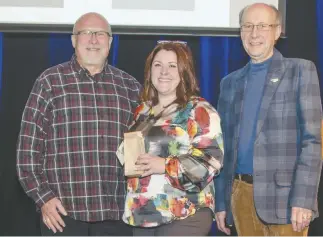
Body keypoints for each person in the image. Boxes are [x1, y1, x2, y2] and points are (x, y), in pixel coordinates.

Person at [16, 12, 142, 236]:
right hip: (63, 216)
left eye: (100, 34)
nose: (93, 40)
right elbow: (27, 150)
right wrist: (43, 199)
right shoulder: (50, 82)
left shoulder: (130, 87)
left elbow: (140, 152)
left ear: (110, 42)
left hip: (114, 217)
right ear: (74, 40)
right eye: (86, 33)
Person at [214, 3, 323, 236]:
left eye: (262, 26)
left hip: (286, 200)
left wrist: (303, 199)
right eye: (248, 26)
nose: (254, 34)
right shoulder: (229, 84)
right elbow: (223, 149)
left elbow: (312, 141)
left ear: (277, 31)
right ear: (240, 32)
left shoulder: (301, 71)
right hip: (241, 197)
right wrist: (221, 203)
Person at [119, 41, 224, 236]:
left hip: (184, 214)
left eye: (172, 66)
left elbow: (211, 162)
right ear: (150, 72)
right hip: (142, 214)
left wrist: (164, 165)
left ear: (184, 71)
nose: (164, 71)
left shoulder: (199, 110)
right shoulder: (143, 110)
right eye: (158, 65)